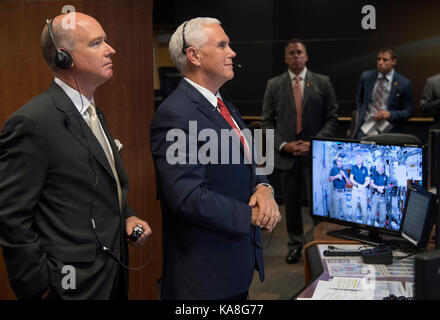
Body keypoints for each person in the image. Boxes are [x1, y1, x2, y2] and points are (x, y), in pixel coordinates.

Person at [0, 12, 151, 300]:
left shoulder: (94, 113)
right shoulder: (32, 122)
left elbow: (91, 189)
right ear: (64, 58)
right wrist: (37, 287)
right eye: (97, 43)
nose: (111, 50)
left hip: (111, 275)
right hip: (67, 286)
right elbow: (11, 216)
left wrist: (127, 218)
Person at [150, 17, 281, 300]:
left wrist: (263, 187)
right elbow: (187, 197)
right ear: (194, 55)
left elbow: (251, 160)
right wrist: (252, 215)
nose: (232, 52)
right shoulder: (175, 115)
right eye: (222, 45)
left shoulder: (224, 105)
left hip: (235, 266)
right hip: (204, 280)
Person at [261, 39, 338, 264]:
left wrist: (314, 142)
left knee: (319, 204)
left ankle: (322, 244)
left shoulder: (323, 82)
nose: (296, 56)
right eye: (291, 53)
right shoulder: (274, 85)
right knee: (291, 205)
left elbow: (332, 117)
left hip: (315, 155)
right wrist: (284, 145)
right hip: (287, 156)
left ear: (306, 56)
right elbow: (266, 122)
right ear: (286, 58)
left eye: (299, 52)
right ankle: (295, 245)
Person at [353, 47, 414, 139]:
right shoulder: (366, 77)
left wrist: (390, 114)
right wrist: (361, 114)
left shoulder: (403, 83)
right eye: (379, 59)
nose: (380, 63)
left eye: (385, 60)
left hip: (390, 130)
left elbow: (409, 111)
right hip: (366, 127)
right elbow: (359, 99)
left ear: (394, 62)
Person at [349, 154, 370, 224]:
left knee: (364, 210)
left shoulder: (365, 169)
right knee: (353, 209)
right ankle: (354, 226)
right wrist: (358, 185)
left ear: (362, 160)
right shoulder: (353, 168)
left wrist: (362, 186)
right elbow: (351, 179)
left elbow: (368, 180)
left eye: (360, 158)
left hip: (363, 190)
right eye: (357, 158)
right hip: (355, 190)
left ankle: (364, 226)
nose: (358, 159)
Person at [328, 155, 350, 219]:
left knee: (345, 212)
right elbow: (329, 179)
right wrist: (336, 176)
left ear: (342, 162)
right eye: (338, 161)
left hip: (343, 193)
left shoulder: (344, 170)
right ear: (336, 162)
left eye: (341, 161)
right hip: (335, 192)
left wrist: (344, 176)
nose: (340, 162)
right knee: (336, 212)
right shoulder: (333, 169)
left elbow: (349, 183)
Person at [370, 161, 389, 227]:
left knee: (383, 218)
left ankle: (381, 231)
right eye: (379, 167)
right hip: (376, 197)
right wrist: (377, 187)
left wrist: (384, 187)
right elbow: (371, 183)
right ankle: (371, 229)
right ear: (377, 168)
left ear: (384, 168)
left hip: (383, 198)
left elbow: (388, 186)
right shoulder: (375, 175)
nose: (381, 168)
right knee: (372, 215)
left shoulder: (386, 176)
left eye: (382, 167)